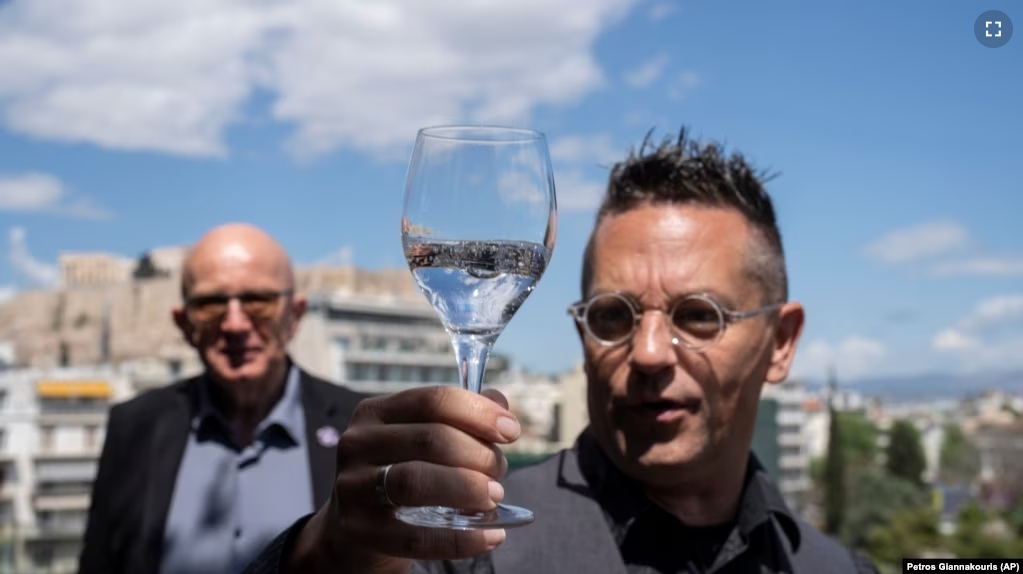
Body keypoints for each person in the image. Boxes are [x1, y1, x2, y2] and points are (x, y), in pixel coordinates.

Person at [244, 128, 881, 574]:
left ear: (782, 342)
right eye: (612, 315)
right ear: (582, 335)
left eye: (698, 315)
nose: (651, 352)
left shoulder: (835, 567)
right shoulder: (460, 550)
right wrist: (325, 554)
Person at [78, 223, 366, 574]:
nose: (234, 324)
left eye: (258, 301)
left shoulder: (359, 424)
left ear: (294, 316)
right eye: (212, 304)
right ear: (185, 325)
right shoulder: (135, 426)